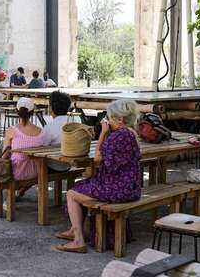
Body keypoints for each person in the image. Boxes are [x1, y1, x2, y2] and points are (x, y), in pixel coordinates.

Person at [55, 99, 141, 253]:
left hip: (117, 190)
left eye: (109, 118)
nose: (108, 121)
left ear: (120, 119)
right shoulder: (132, 133)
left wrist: (103, 132)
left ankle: (78, 240)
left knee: (71, 194)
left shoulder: (119, 135)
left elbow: (97, 158)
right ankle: (75, 229)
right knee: (80, 185)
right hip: (129, 186)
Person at [1, 98, 45, 195]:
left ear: (17, 112)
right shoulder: (41, 131)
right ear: (32, 112)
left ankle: (5, 197)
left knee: (5, 159)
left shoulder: (12, 130)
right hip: (36, 172)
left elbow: (4, 156)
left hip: (17, 173)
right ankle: (18, 193)